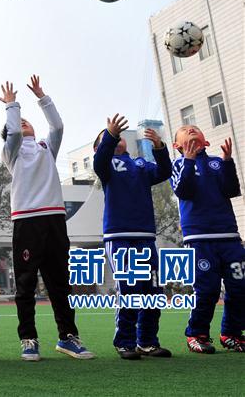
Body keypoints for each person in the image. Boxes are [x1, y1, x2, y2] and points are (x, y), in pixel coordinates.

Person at [0, 76, 94, 361]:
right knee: (26, 283)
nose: (23, 123)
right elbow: (12, 134)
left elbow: (58, 126)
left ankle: (68, 337)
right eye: (19, 122)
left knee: (60, 283)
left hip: (53, 219)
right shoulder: (11, 153)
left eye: (27, 121)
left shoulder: (46, 148)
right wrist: (12, 105)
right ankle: (28, 339)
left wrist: (42, 98)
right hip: (26, 221)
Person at [92, 114, 173, 359]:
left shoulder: (141, 165)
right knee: (129, 289)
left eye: (119, 136)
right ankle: (125, 342)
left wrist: (159, 148)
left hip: (146, 237)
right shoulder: (106, 166)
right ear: (100, 147)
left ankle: (147, 342)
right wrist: (110, 135)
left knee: (153, 291)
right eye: (109, 137)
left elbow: (164, 171)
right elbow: (99, 161)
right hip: (119, 236)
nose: (117, 138)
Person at [170, 126, 244, 353]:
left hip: (229, 237)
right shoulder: (178, 164)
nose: (190, 128)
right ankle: (197, 333)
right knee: (207, 290)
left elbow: (232, 190)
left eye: (194, 128)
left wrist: (228, 162)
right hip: (199, 238)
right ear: (177, 145)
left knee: (240, 287)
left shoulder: (217, 162)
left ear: (205, 141)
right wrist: (189, 160)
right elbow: (183, 191)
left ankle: (231, 333)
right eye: (185, 129)